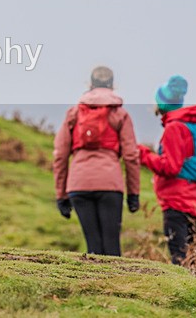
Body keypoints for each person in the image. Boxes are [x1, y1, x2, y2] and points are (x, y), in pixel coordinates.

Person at [53, 66, 140, 256]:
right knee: (111, 246)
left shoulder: (74, 113)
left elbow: (60, 154)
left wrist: (61, 195)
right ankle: (118, 285)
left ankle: (94, 284)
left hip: (78, 184)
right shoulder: (120, 114)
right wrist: (134, 194)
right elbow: (131, 155)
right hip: (110, 184)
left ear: (90, 84)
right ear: (113, 85)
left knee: (93, 246)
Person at [138, 75, 196, 265]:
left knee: (180, 258)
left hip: (177, 202)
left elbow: (170, 166)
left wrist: (143, 154)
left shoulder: (174, 128)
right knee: (195, 258)